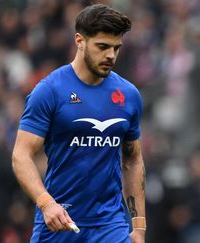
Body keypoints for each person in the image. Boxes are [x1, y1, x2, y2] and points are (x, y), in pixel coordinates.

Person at [11, 4, 146, 243]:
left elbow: (132, 159)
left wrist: (139, 227)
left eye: (116, 48)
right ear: (79, 40)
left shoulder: (129, 95)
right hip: (59, 221)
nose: (111, 56)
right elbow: (21, 155)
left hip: (110, 225)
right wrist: (46, 204)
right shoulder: (49, 91)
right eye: (103, 47)